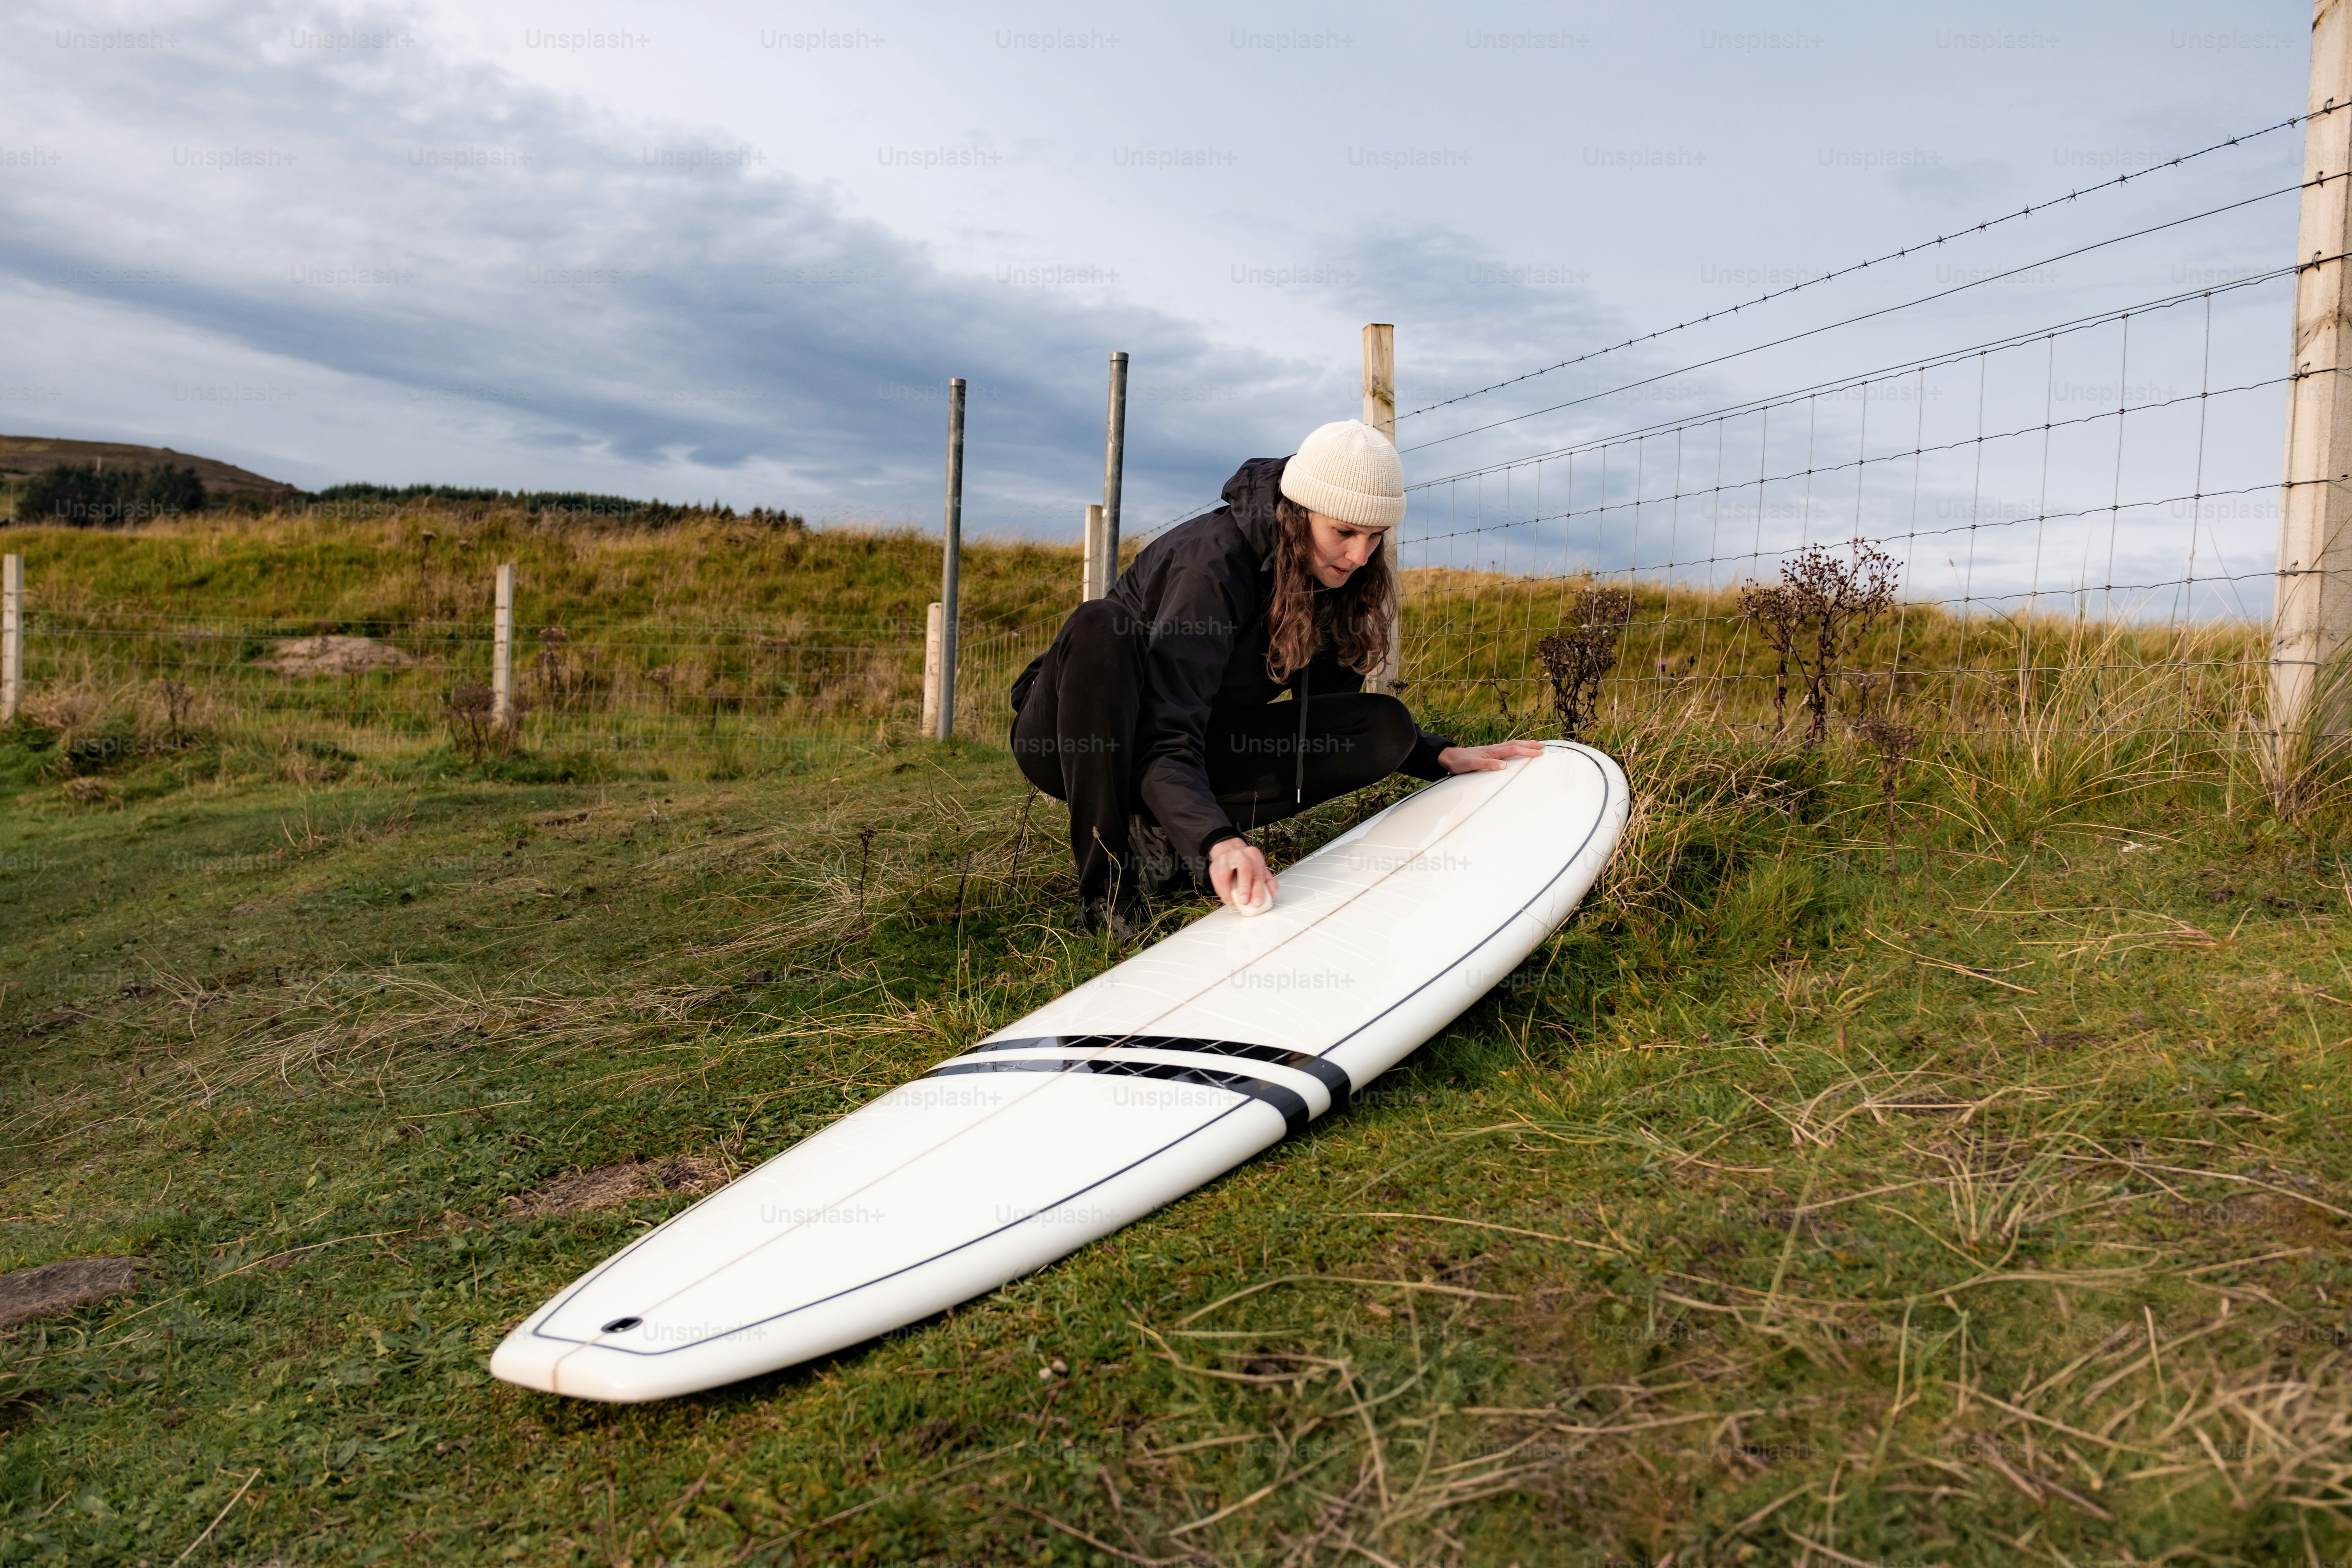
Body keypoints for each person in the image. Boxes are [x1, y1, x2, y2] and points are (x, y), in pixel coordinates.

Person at [1010, 418, 1542, 934]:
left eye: (1376, 536)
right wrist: (1218, 839)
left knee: (1383, 726)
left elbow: (1322, 721)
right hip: (1075, 742)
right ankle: (1106, 890)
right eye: (1345, 531)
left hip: (1189, 742)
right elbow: (1165, 728)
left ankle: (1161, 828)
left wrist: (1435, 755)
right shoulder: (1212, 567)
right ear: (1299, 512)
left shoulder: (1338, 578)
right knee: (1102, 624)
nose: (1360, 556)